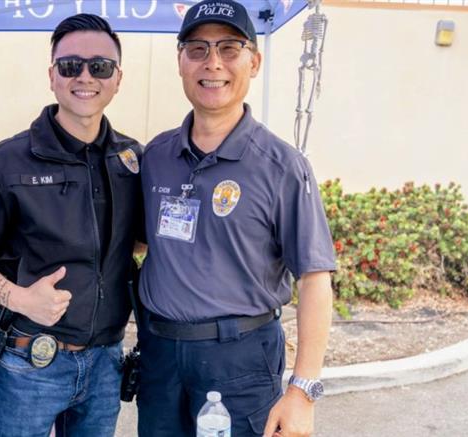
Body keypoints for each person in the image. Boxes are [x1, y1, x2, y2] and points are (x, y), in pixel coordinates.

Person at [136, 1, 336, 436]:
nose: (213, 63)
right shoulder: (156, 156)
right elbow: (140, 242)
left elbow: (315, 278)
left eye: (229, 48)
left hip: (240, 362)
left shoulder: (282, 166)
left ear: (254, 62)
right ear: (180, 62)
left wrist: (302, 391)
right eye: (198, 49)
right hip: (160, 358)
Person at [0, 14, 143, 437]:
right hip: (28, 363)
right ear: (52, 76)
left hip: (106, 362)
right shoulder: (6, 162)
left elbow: (140, 240)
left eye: (100, 66)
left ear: (118, 79)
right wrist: (18, 297)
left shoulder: (132, 160)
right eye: (70, 66)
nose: (84, 76)